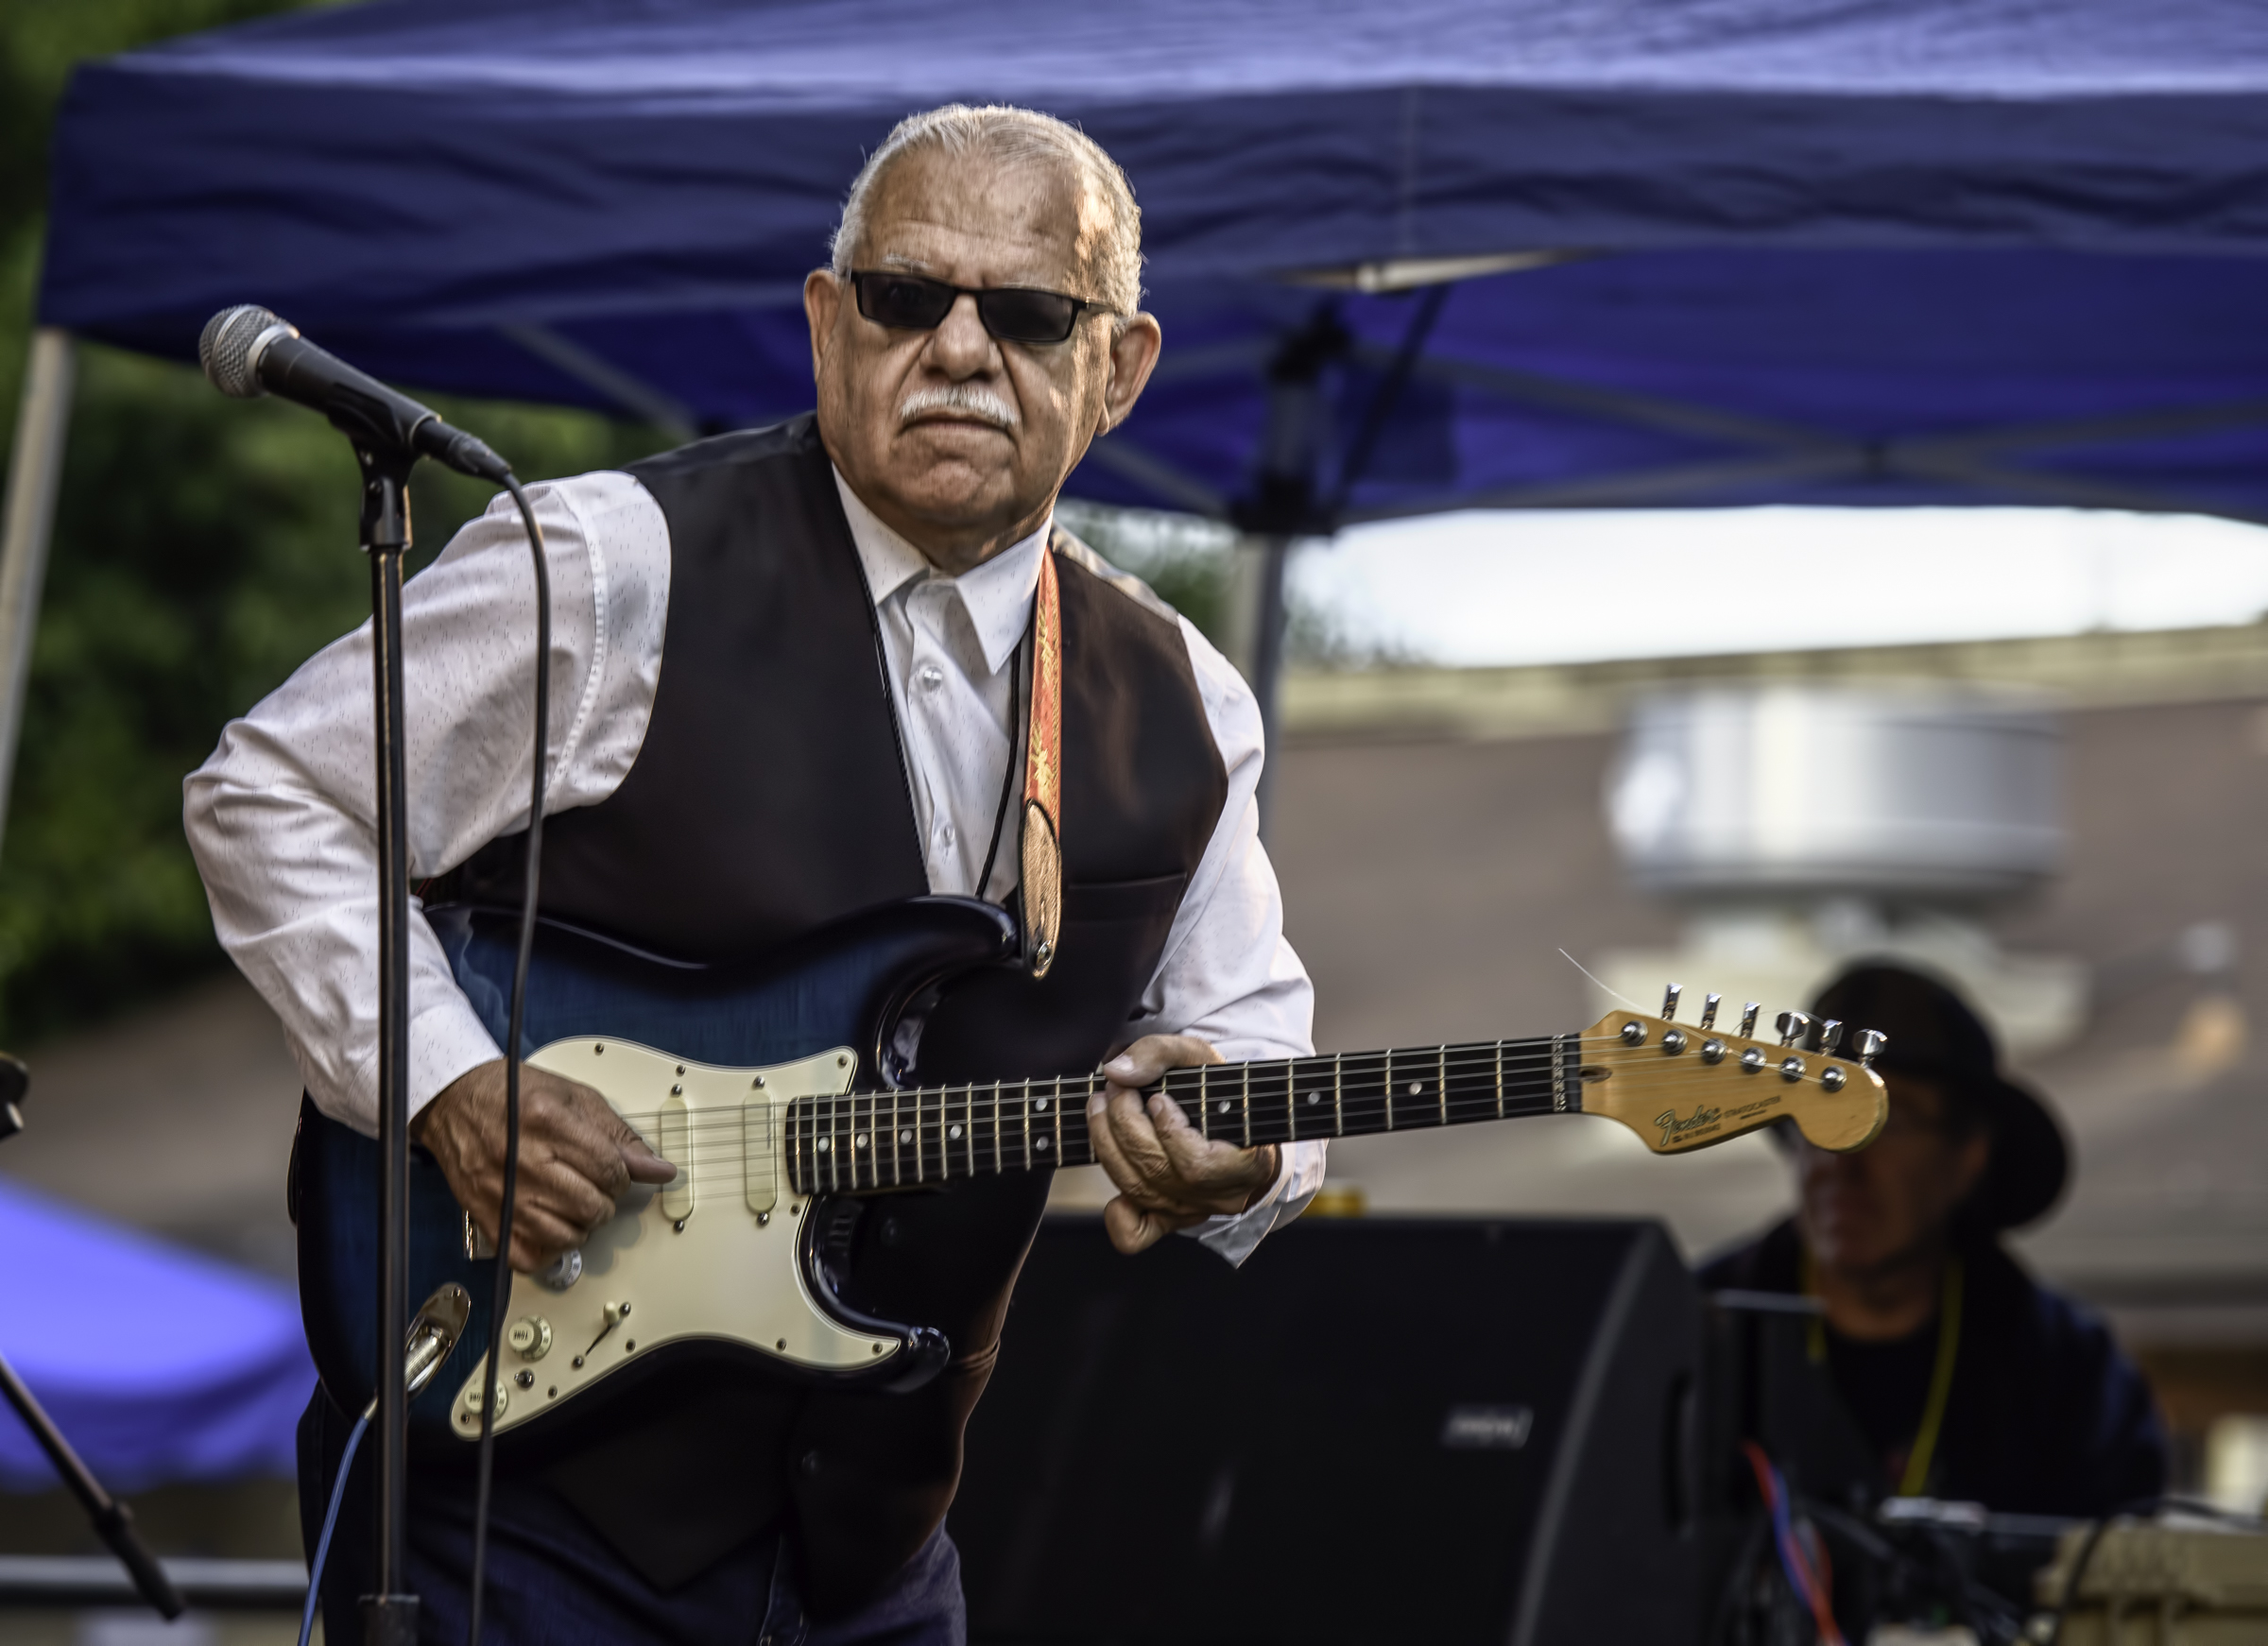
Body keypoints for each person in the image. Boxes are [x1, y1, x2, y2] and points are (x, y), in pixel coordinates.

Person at [185, 105, 1324, 1645]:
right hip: (520, 1510)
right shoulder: (608, 564)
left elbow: (1254, 1052)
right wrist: (450, 1085)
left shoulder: (1187, 702)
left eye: (1033, 313)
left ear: (1117, 369)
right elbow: (273, 794)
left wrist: (1241, 1157)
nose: (963, 350)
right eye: (908, 297)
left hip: (875, 1551)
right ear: (826, 324)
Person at [1701, 962, 2166, 1519]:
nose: (1841, 1161)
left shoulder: (2069, 1378)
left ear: (1968, 1157)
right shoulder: (1696, 1338)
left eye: (1886, 1121)